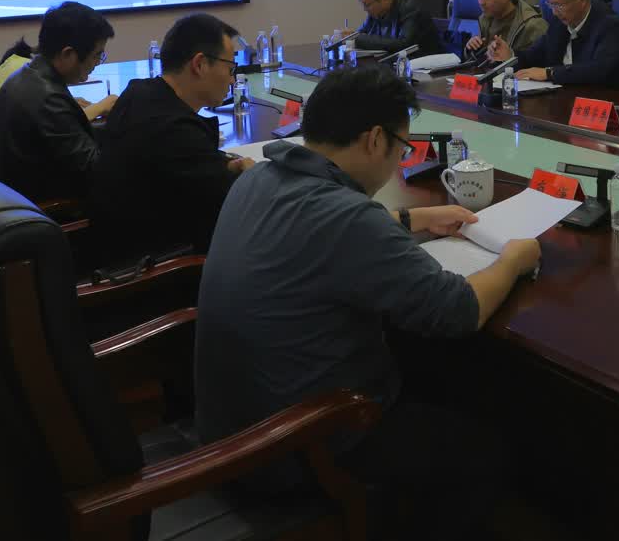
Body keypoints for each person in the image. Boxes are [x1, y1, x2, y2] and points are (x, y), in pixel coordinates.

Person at [196, 66, 539, 535]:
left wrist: (410, 218)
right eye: (402, 148)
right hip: (295, 445)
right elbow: (459, 310)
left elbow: (319, 235)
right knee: (483, 453)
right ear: (375, 139)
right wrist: (514, 260)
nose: (399, 162)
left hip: (230, 423)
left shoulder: (258, 179)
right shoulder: (347, 218)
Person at [90, 13, 254, 259]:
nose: (232, 79)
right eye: (230, 68)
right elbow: (235, 203)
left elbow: (189, 170)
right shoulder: (174, 129)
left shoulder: (139, 94)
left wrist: (225, 165)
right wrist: (252, 176)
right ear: (199, 64)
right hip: (163, 267)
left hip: (122, 245)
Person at [0, 2, 116, 204]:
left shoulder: (26, 75)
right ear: (68, 54)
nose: (97, 63)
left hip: (26, 190)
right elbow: (95, 170)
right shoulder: (49, 99)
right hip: (54, 206)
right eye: (97, 55)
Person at [486, 0, 619, 88]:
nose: (554, 12)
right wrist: (509, 55)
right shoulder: (559, 22)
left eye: (558, 5)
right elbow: (534, 55)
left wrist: (550, 73)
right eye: (550, 4)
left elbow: (600, 71)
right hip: (560, 98)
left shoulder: (610, 25)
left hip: (596, 102)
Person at [463, 0, 548, 60]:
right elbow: (479, 61)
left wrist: (509, 56)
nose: (481, 2)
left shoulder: (533, 26)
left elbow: (540, 64)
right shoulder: (485, 19)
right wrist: (471, 49)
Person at [353, 0, 444, 57]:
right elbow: (362, 33)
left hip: (424, 63)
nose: (365, 9)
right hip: (394, 62)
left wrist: (358, 39)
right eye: (362, 3)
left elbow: (403, 44)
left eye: (367, 4)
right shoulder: (376, 11)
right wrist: (352, 36)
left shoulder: (410, 8)